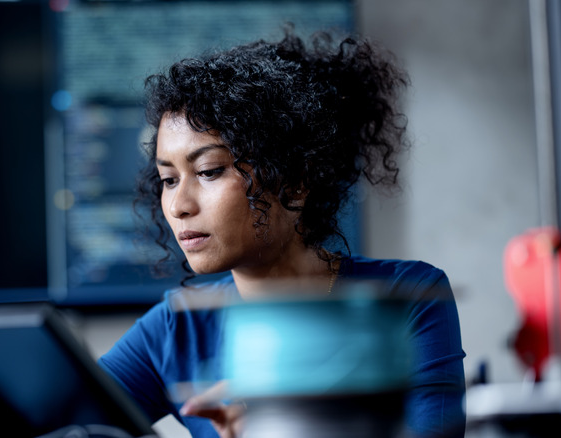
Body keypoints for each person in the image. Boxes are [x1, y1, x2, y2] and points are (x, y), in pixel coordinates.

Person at [99, 28, 465, 438]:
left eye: (208, 172)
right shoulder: (173, 329)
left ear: (292, 183)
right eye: (168, 179)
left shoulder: (407, 297)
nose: (179, 205)